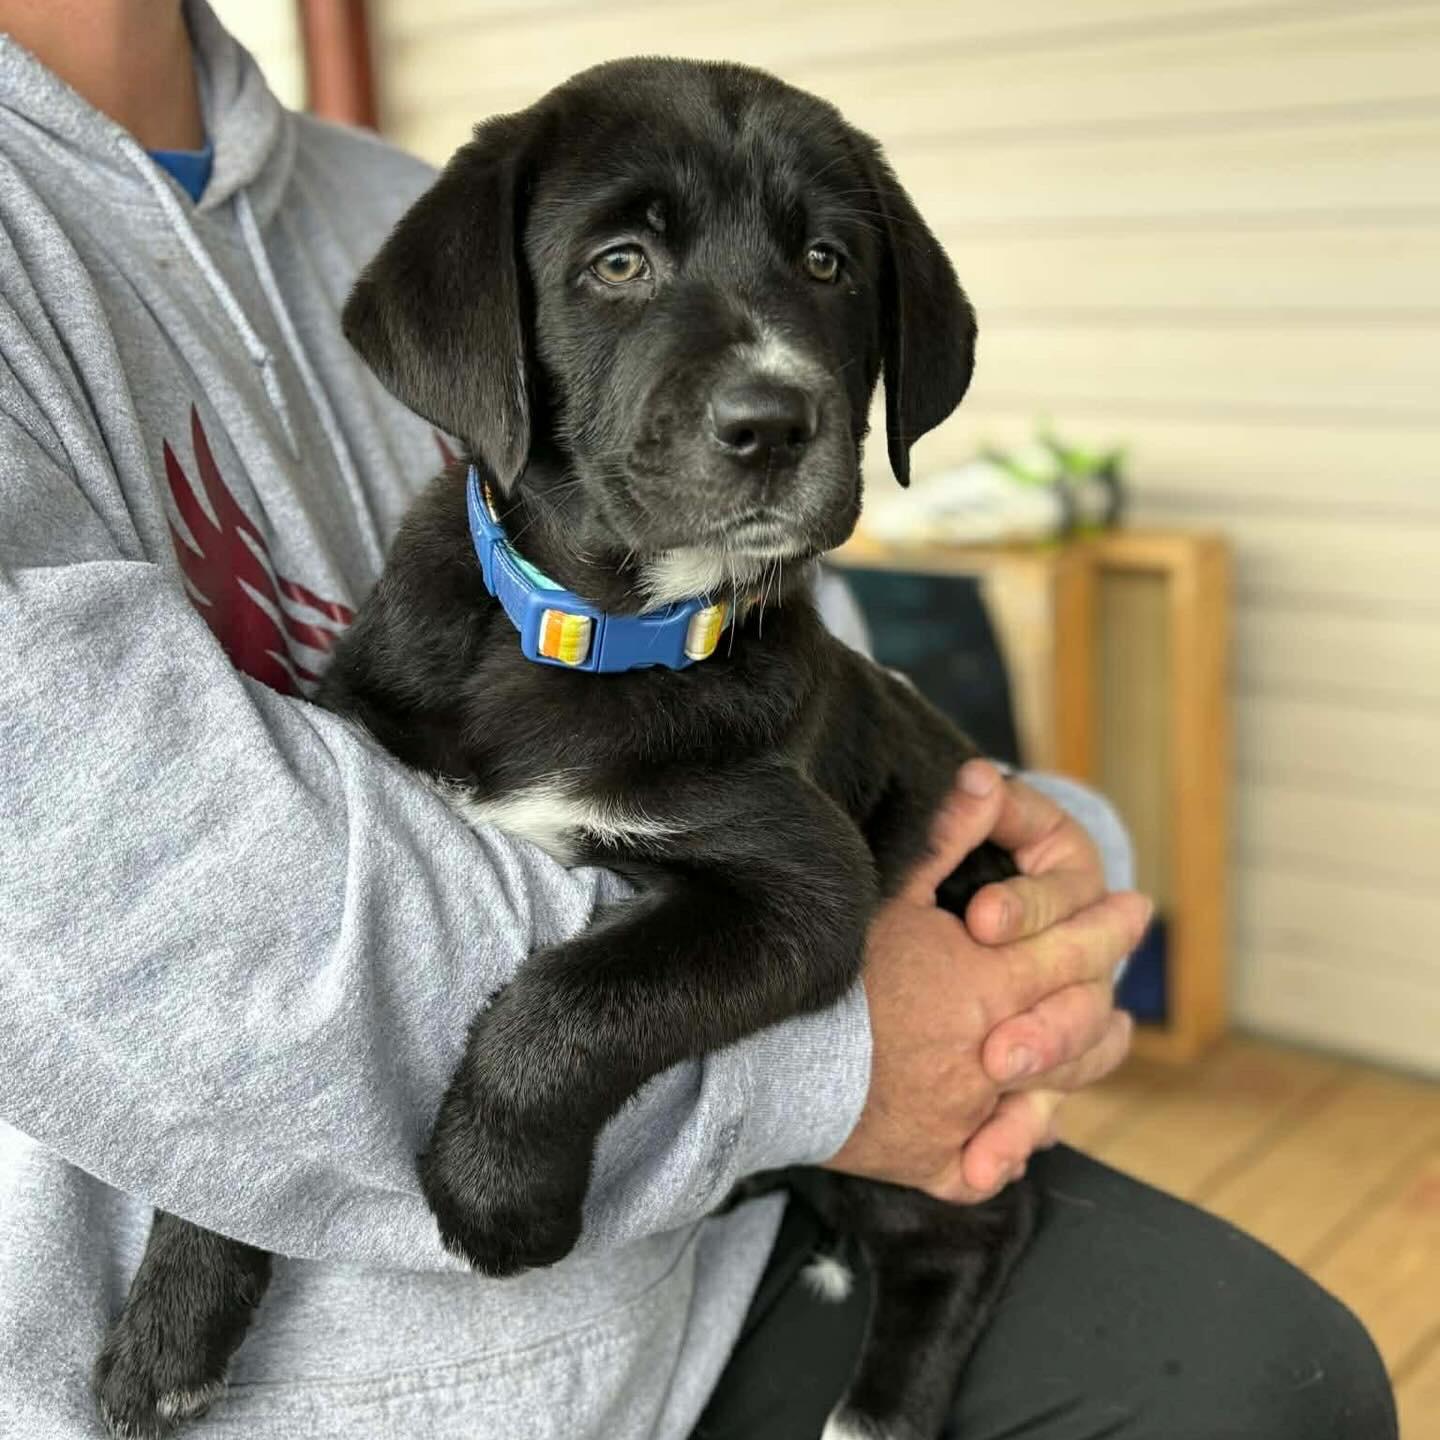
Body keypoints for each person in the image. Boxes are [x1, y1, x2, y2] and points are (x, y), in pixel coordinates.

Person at [0, 3, 1396, 1437]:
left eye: (822, 265)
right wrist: (836, 1066)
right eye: (623, 261)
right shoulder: (468, 260)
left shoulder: (390, 194)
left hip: (722, 1244)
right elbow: (151, 946)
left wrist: (1059, 876)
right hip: (365, 1362)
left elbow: (849, 741)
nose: (763, 369)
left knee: (1276, 1370)